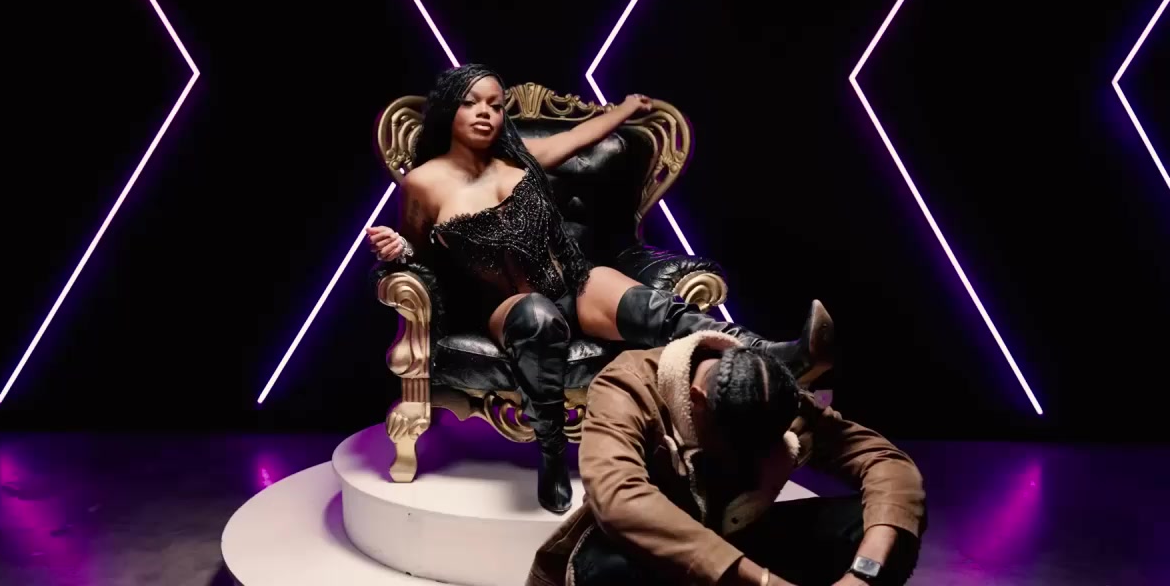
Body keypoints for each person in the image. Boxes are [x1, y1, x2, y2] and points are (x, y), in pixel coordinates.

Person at [366, 64, 834, 514]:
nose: (486, 112)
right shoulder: (423, 182)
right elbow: (421, 252)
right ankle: (551, 454)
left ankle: (773, 355)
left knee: (644, 303)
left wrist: (625, 108)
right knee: (537, 315)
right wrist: (398, 248)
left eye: (495, 104)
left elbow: (577, 137)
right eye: (472, 103)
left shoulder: (520, 159)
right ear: (450, 108)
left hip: (569, 283)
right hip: (506, 305)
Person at [526, 331, 925, 586]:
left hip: (739, 536)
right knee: (609, 571)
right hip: (658, 554)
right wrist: (763, 582)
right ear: (697, 401)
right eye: (737, 445)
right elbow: (618, 498)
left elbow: (885, 463)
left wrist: (863, 572)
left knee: (878, 526)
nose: (749, 459)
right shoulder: (628, 385)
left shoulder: (771, 396)